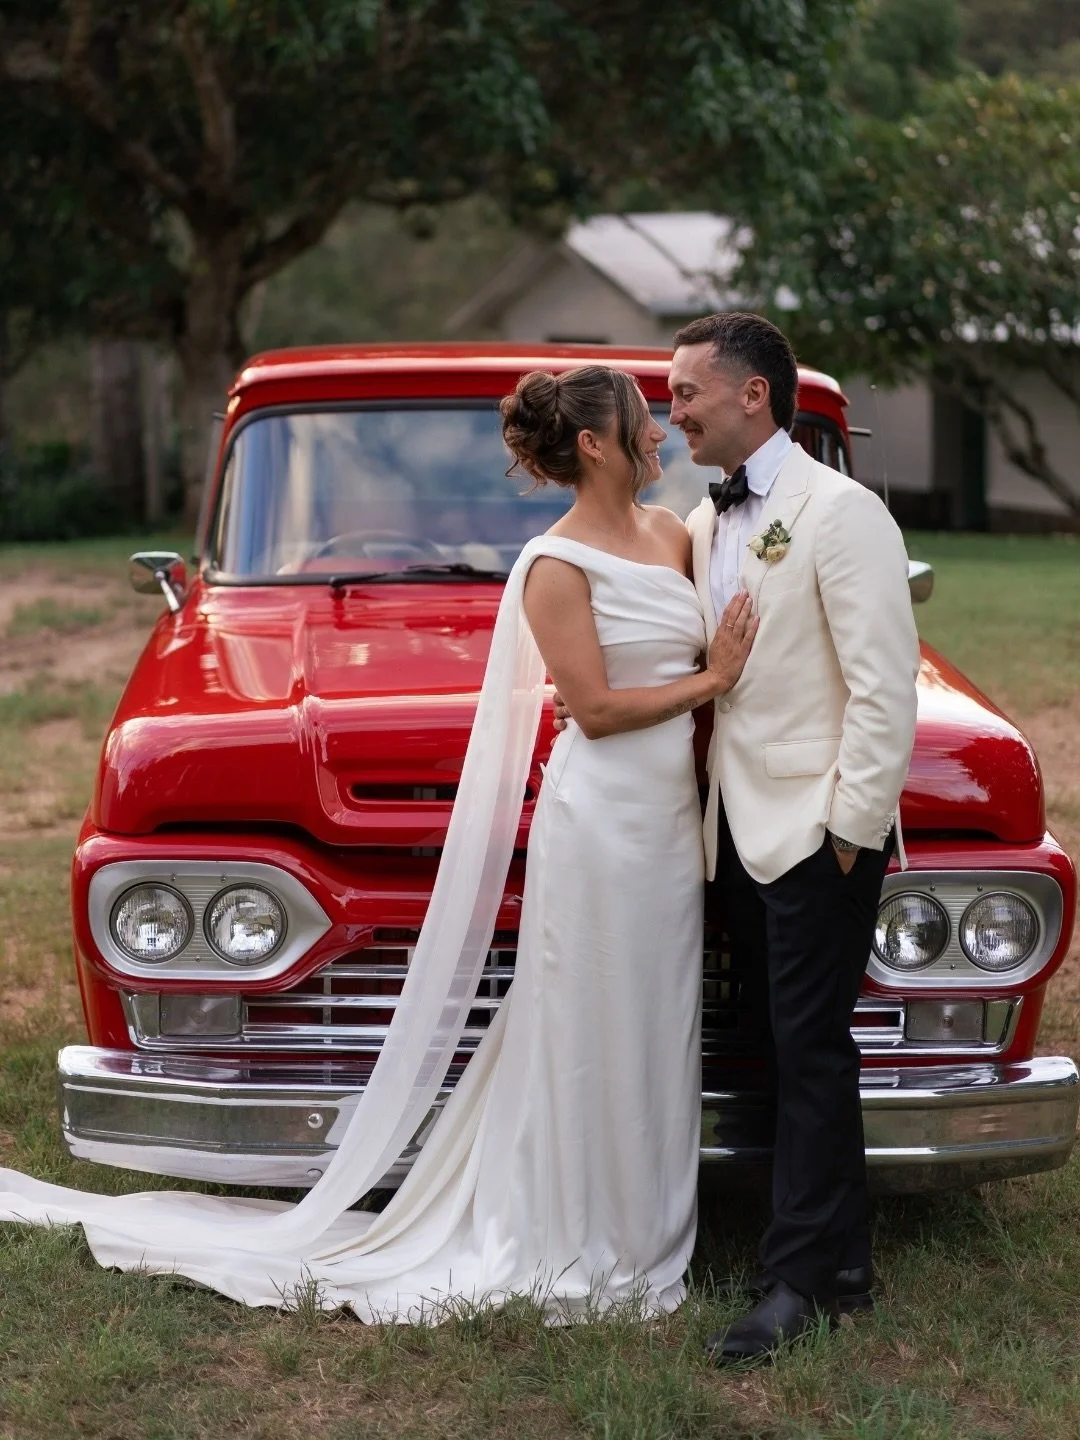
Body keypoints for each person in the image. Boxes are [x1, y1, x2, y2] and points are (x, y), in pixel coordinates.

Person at [0, 366, 757, 1323]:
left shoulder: (675, 533)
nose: (661, 432)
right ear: (598, 444)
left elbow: (657, 658)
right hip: (602, 817)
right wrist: (712, 680)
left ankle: (650, 1225)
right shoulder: (553, 566)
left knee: (657, 1014)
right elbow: (598, 710)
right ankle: (582, 1227)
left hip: (664, 825)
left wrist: (711, 668)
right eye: (644, 420)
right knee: (594, 1019)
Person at [675, 312, 920, 1361]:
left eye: (686, 391)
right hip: (731, 824)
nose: (671, 408)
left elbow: (883, 687)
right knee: (781, 1044)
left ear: (752, 395)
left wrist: (851, 833)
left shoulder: (842, 511)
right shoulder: (699, 519)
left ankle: (799, 1279)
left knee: (810, 1047)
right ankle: (844, 1256)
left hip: (818, 831)